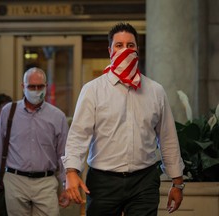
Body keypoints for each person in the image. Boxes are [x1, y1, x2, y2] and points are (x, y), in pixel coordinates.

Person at [61, 22, 185, 216]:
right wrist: (71, 172)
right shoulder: (92, 90)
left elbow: (168, 138)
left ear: (138, 50)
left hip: (144, 181)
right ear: (110, 50)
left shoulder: (155, 91)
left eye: (130, 46)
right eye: (119, 46)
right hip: (103, 182)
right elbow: (78, 135)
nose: (125, 50)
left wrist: (178, 182)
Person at [0, 67, 70, 216]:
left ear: (46, 87)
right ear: (23, 87)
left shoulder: (58, 117)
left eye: (40, 86)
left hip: (46, 182)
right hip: (15, 180)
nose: (36, 90)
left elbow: (63, 154)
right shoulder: (8, 111)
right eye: (32, 86)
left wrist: (66, 184)